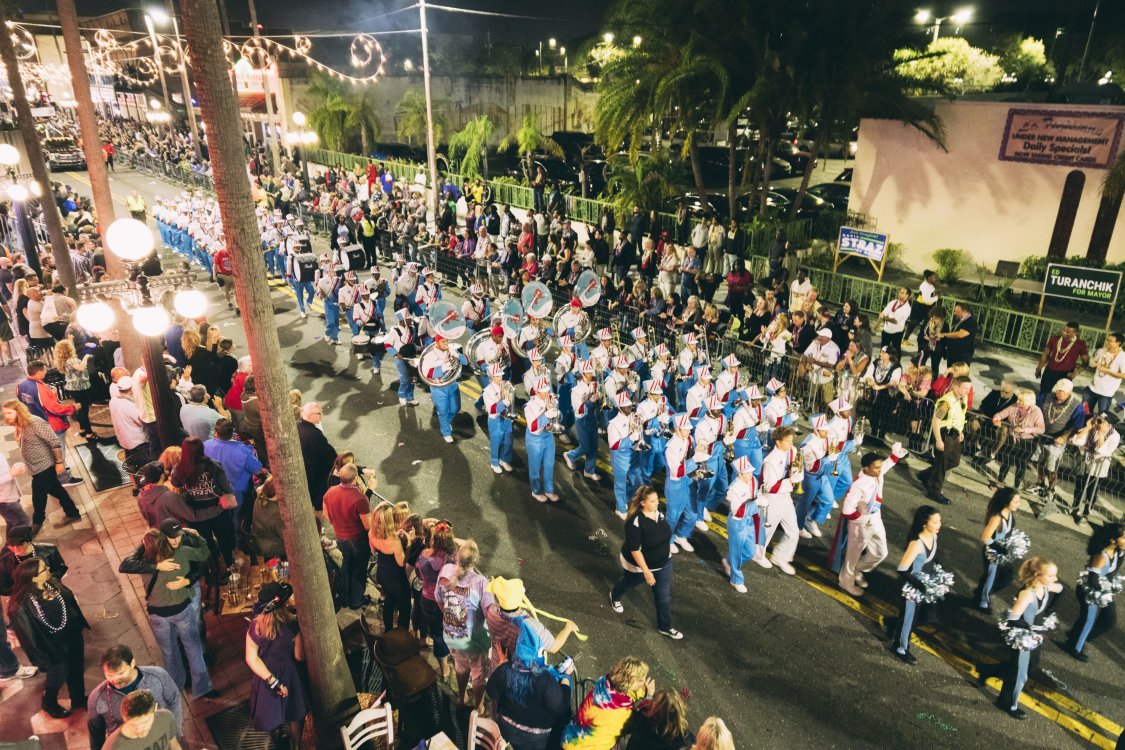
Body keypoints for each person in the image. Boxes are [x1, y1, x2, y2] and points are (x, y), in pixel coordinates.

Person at [119, 520, 216, 699]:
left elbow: (125, 565)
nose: (176, 540)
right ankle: (201, 688)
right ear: (163, 537)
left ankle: (176, 687)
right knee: (193, 648)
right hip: (181, 611)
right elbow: (203, 555)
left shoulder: (144, 562)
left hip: (157, 614)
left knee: (169, 652)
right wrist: (198, 538)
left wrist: (156, 566)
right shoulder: (182, 552)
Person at [7, 556, 90, 718]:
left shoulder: (51, 584)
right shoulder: (20, 607)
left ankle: (78, 699)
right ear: (34, 577)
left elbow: (69, 603)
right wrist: (42, 661)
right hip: (52, 648)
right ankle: (49, 703)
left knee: (76, 669)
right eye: (44, 569)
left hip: (73, 638)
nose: (49, 570)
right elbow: (29, 639)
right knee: (58, 677)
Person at [984, 557, 1063, 720]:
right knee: (1021, 675)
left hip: (1036, 637)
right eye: (1051, 576)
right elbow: (1013, 619)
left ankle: (987, 670)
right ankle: (1007, 703)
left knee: (1031, 667)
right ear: (1037, 575)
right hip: (1026, 639)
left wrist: (1050, 611)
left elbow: (1061, 589)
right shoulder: (1027, 594)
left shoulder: (1046, 587)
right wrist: (1029, 628)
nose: (1055, 579)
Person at [486, 614, 574, 750]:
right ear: (540, 652)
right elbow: (561, 706)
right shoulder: (545, 680)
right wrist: (566, 678)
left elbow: (491, 691)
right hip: (534, 739)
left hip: (505, 729)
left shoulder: (505, 670)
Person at [832, 446, 907, 597]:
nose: (880, 470)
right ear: (866, 468)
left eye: (880, 467)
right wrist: (861, 519)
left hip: (875, 516)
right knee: (853, 555)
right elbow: (847, 510)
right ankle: (846, 582)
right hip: (860, 522)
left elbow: (885, 465)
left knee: (881, 552)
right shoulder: (859, 485)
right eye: (877, 468)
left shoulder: (875, 473)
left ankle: (858, 569)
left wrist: (895, 455)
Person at [609, 485, 681, 639]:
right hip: (639, 567)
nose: (657, 503)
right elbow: (635, 550)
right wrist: (646, 572)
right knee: (628, 583)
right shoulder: (635, 523)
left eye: (657, 500)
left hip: (664, 563)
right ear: (643, 503)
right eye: (652, 501)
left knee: (663, 596)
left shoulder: (659, 513)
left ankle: (665, 627)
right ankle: (614, 596)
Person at [2, 399, 81, 534]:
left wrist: (59, 463)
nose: (6, 416)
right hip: (35, 467)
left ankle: (37, 522)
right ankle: (73, 513)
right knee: (56, 490)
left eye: (9, 413)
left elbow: (55, 442)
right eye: (4, 414)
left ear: (18, 411)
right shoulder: (18, 425)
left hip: (44, 466)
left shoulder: (34, 422)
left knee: (38, 496)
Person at [246, 582, 308, 743]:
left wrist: (273, 682)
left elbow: (251, 658)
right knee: (294, 712)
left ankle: (277, 740)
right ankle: (296, 745)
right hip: (287, 671)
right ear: (283, 605)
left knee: (271, 709)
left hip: (265, 672)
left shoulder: (255, 625)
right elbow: (299, 656)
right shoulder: (293, 625)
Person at [87, 644, 182, 750]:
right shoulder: (97, 698)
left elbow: (174, 700)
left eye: (121, 673)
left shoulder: (158, 676)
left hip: (160, 741)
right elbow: (96, 735)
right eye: (109, 675)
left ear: (132, 663)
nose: (115, 679)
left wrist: (175, 731)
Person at [437, 539, 492, 708]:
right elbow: (490, 615)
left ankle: (462, 698)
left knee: (460, 668)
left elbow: (439, 600)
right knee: (479, 674)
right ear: (475, 561)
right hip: (474, 642)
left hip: (453, 636)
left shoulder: (446, 571)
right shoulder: (481, 583)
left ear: (457, 556)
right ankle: (479, 707)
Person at [169, 437, 238, 567]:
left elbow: (175, 483)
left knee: (205, 540)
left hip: (196, 511)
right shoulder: (214, 465)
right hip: (217, 508)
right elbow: (226, 487)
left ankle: (215, 566)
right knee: (223, 538)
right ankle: (229, 564)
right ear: (201, 449)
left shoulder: (179, 469)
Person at [889, 506, 943, 664]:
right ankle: (900, 648)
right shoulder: (916, 544)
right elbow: (902, 569)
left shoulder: (934, 537)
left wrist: (938, 572)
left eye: (939, 521)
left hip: (926, 585)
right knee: (909, 620)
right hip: (913, 588)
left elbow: (932, 559)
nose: (939, 525)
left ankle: (893, 624)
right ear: (924, 523)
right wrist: (920, 585)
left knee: (928, 617)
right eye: (935, 522)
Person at [1062, 522, 1123, 662]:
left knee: (1109, 620)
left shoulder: (1118, 552)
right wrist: (1106, 590)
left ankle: (1076, 636)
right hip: (1090, 590)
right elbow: (1092, 579)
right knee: (1088, 619)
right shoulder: (1101, 556)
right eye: (1124, 538)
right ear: (1113, 540)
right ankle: (1073, 647)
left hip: (1102, 590)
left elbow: (1112, 572)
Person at [563, 656, 652, 750]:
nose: (643, 683)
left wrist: (641, 692)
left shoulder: (602, 684)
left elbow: (621, 693)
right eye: (641, 681)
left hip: (570, 739)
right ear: (631, 684)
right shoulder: (625, 713)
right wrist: (649, 697)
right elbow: (640, 722)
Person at [17, 360, 80, 486]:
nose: (46, 372)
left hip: (33, 423)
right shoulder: (40, 388)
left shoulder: (20, 386)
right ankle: (63, 478)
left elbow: (24, 404)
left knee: (48, 451)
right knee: (58, 451)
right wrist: (72, 408)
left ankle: (58, 473)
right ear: (39, 372)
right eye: (45, 370)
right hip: (51, 425)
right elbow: (53, 408)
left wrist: (52, 394)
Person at [322, 463, 371, 610]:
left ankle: (346, 596)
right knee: (359, 570)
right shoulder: (360, 498)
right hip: (358, 540)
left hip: (341, 538)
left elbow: (326, 515)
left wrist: (338, 524)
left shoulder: (330, 492)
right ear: (355, 478)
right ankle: (356, 600)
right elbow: (367, 525)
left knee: (347, 565)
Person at [919, 375, 971, 505]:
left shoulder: (959, 400)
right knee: (942, 463)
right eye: (965, 388)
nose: (967, 391)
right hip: (944, 435)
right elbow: (936, 421)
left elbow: (958, 417)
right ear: (956, 386)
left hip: (954, 435)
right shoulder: (946, 402)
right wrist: (938, 440)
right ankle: (935, 490)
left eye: (969, 388)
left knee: (954, 461)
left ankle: (927, 475)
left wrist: (960, 431)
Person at [760, 426, 803, 575]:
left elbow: (797, 467)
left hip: (786, 496)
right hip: (772, 498)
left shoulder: (792, 451)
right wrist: (791, 481)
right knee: (767, 530)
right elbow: (770, 487)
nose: (792, 444)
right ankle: (758, 554)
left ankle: (780, 557)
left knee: (794, 531)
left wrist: (799, 473)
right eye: (788, 441)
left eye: (792, 440)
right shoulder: (770, 461)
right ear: (778, 442)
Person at [416, 520, 456, 678]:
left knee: (437, 632)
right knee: (443, 634)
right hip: (445, 602)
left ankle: (442, 665)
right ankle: (445, 669)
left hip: (427, 599)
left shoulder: (423, 556)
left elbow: (419, 575)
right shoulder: (452, 558)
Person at [1069, 413, 1121, 522]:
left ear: (1109, 425)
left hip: (1098, 467)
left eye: (1101, 421)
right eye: (1098, 419)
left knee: (1091, 490)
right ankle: (1075, 507)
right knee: (1079, 486)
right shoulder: (1092, 428)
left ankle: (1086, 512)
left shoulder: (1115, 436)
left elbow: (1104, 451)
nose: (1098, 422)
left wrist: (1101, 436)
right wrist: (1087, 428)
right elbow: (1077, 441)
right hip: (1085, 462)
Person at [991, 390, 1044, 489]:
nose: (1018, 402)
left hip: (1028, 442)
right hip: (1013, 438)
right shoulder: (1014, 406)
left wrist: (1024, 430)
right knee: (1006, 460)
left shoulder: (1036, 411)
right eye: (1019, 399)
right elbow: (1000, 414)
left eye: (1021, 401)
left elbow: (1041, 428)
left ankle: (1016, 487)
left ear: (1029, 401)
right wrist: (996, 419)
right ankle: (1000, 481)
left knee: (1021, 464)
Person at [370, 502, 411, 632]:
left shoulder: (371, 533)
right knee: (405, 607)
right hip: (396, 580)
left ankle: (388, 630)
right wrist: (409, 544)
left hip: (382, 574)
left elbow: (373, 550)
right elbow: (402, 563)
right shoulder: (395, 541)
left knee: (389, 601)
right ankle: (401, 634)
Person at [0, 524, 68, 596]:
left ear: (28, 541)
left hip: (49, 590)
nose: (15, 549)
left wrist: (46, 578)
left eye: (19, 545)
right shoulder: (4, 561)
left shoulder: (49, 550)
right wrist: (22, 588)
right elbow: (2, 587)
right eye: (11, 546)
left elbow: (61, 568)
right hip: (25, 597)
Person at [103, 690, 181, 750]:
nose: (139, 729)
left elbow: (175, 747)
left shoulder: (165, 717)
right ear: (123, 718)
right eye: (133, 724)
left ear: (155, 709)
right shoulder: (112, 747)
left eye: (145, 722)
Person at [524, 378, 560, 502]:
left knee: (550, 464)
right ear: (537, 392)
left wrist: (557, 414)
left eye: (547, 389)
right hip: (535, 439)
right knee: (535, 467)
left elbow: (557, 418)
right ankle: (536, 491)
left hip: (548, 436)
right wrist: (546, 416)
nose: (547, 392)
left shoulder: (551, 399)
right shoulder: (529, 406)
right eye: (543, 390)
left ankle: (549, 490)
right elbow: (533, 427)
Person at [297, 402, 336, 511]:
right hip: (316, 477)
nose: (322, 415)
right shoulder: (314, 435)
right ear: (311, 415)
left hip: (304, 471)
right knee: (320, 503)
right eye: (319, 413)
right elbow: (331, 457)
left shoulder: (297, 425)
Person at [626, 689, 692, 750]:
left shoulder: (642, 720)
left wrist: (649, 695)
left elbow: (643, 706)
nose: (650, 701)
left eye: (653, 699)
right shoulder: (682, 738)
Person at [57, 339, 96, 440]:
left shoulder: (65, 360)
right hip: (79, 388)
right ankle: (89, 433)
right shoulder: (71, 360)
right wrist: (86, 357)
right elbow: (81, 368)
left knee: (80, 407)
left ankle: (82, 429)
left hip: (73, 388)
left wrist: (70, 340)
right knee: (84, 410)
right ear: (68, 349)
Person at [1035, 321, 1089, 394]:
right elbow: (1045, 354)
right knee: (1043, 393)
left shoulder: (1080, 344)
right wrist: (1039, 368)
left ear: (1075, 333)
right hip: (1050, 370)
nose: (1064, 333)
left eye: (1068, 332)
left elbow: (1086, 361)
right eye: (1063, 330)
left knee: (1062, 395)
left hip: (1066, 373)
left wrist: (1075, 374)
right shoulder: (1054, 339)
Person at [1085, 332, 1125, 414]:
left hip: (1106, 393)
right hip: (1091, 389)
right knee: (1084, 412)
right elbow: (1093, 362)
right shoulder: (1101, 351)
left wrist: (1107, 371)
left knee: (1102, 417)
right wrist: (1092, 363)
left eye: (1110, 341)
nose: (1107, 342)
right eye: (1107, 340)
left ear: (1118, 343)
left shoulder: (1122, 357)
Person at [902, 269, 938, 343]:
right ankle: (905, 339)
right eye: (934, 277)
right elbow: (926, 300)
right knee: (914, 323)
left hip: (928, 308)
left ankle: (921, 339)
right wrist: (936, 297)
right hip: (920, 306)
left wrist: (935, 295)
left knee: (926, 325)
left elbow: (930, 296)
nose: (936, 279)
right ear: (929, 277)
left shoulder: (931, 286)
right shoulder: (925, 286)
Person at [878, 287, 912, 354]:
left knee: (896, 351)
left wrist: (885, 319)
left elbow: (896, 321)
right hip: (886, 330)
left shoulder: (907, 308)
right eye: (900, 292)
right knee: (883, 349)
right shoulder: (893, 302)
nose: (899, 294)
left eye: (902, 293)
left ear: (907, 296)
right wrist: (881, 315)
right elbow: (884, 312)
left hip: (897, 333)